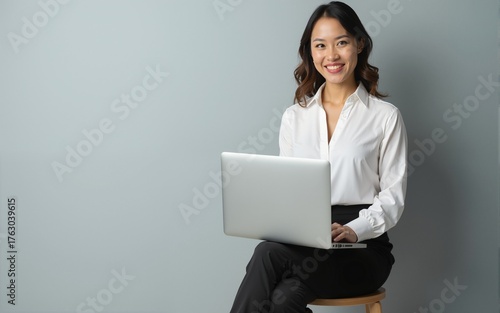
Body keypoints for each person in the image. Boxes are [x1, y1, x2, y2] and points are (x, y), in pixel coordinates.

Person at [229, 2, 407, 313]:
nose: (332, 55)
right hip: (307, 243)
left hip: (363, 248)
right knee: (285, 299)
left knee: (268, 254)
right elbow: (287, 192)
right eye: (320, 45)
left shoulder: (384, 117)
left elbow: (393, 198)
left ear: (359, 44)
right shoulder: (294, 118)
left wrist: (355, 229)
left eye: (341, 42)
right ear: (310, 52)